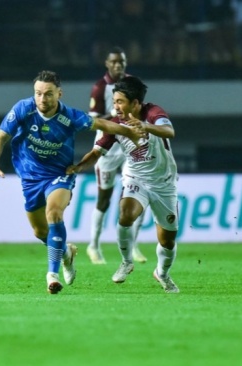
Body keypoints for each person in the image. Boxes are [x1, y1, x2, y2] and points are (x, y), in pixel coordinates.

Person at [0, 70, 143, 294]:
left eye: (48, 94)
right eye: (38, 93)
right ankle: (66, 254)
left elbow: (103, 125)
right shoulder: (23, 108)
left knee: (54, 213)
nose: (42, 99)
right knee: (40, 232)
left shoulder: (70, 117)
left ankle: (52, 275)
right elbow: (1, 137)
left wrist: (130, 132)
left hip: (60, 173)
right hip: (30, 178)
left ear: (59, 93)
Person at [67, 76, 180, 293]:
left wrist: (145, 126)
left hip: (164, 183)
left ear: (136, 103)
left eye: (120, 101)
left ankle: (162, 273)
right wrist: (78, 167)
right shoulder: (114, 124)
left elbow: (170, 132)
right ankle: (126, 261)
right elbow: (97, 152)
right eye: (114, 100)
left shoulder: (153, 113)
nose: (115, 106)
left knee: (167, 240)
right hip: (135, 178)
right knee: (126, 213)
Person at [86, 46, 147, 265]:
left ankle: (134, 246)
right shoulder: (99, 88)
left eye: (121, 62)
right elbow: (93, 122)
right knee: (104, 198)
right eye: (114, 62)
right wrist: (113, 115)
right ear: (107, 64)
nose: (118, 65)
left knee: (138, 195)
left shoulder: (133, 84)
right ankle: (93, 246)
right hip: (109, 148)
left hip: (130, 146)